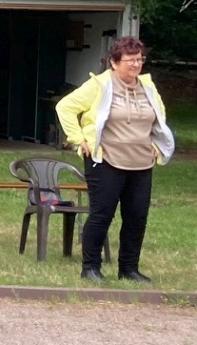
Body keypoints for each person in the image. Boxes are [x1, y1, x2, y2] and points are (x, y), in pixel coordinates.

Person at [56, 36, 175, 283]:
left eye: (139, 59)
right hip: (106, 159)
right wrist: (78, 138)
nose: (135, 65)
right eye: (129, 60)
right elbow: (65, 107)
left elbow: (159, 116)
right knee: (102, 214)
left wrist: (156, 144)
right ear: (114, 62)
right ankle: (90, 267)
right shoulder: (99, 85)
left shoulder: (148, 87)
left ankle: (129, 269)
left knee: (136, 216)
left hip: (141, 161)